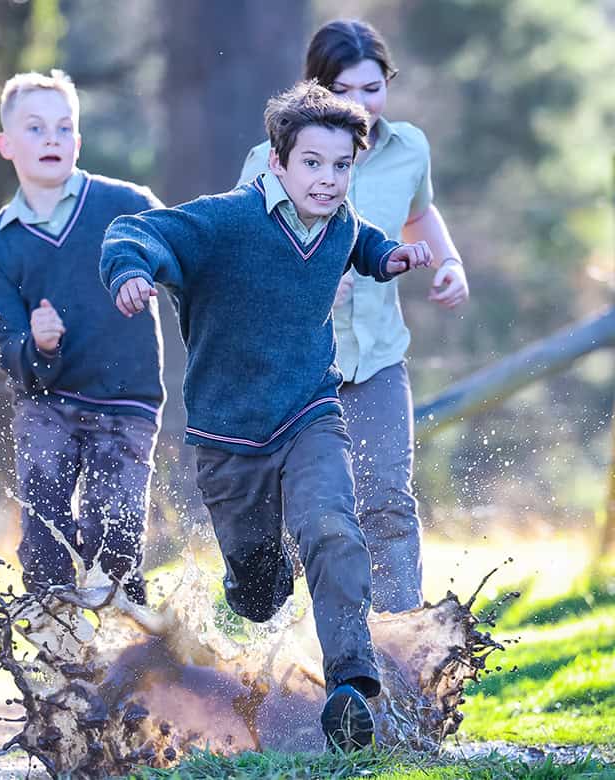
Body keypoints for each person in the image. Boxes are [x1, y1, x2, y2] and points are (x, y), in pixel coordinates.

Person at [100, 81, 436, 752]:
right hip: (228, 435)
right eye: (312, 162)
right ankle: (257, 578)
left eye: (341, 165)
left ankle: (352, 686)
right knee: (258, 594)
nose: (328, 178)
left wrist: (387, 258)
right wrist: (130, 272)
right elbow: (135, 232)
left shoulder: (340, 222)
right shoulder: (228, 221)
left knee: (333, 528)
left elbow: (360, 240)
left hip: (310, 412)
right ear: (277, 162)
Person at [238, 19, 470, 613]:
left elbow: (419, 214)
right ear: (314, 87)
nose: (362, 103)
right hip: (297, 370)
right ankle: (283, 644)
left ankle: (402, 646)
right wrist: (308, 285)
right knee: (307, 517)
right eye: (344, 90)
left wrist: (448, 262)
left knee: (388, 502)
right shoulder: (268, 161)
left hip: (378, 359)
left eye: (373, 87)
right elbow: (242, 253)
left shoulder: (408, 148)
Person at [0, 69, 164, 605]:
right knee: (46, 542)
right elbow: (9, 351)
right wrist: (40, 344)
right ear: (6, 145)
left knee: (114, 535)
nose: (50, 138)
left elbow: (188, 259)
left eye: (62, 128)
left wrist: (148, 270)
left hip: (124, 399)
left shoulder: (127, 205)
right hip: (45, 403)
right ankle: (56, 640)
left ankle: (127, 634)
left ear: (77, 142)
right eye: (34, 128)